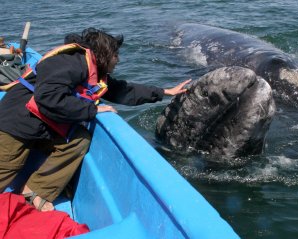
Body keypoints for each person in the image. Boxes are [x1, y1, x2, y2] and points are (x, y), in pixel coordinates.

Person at [0, 28, 191, 211]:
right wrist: (92, 110)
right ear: (105, 54)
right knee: (7, 166)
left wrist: (164, 92)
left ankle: (36, 191)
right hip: (16, 121)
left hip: (41, 123)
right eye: (116, 55)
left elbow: (123, 90)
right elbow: (47, 97)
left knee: (78, 140)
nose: (118, 60)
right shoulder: (69, 63)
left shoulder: (94, 71)